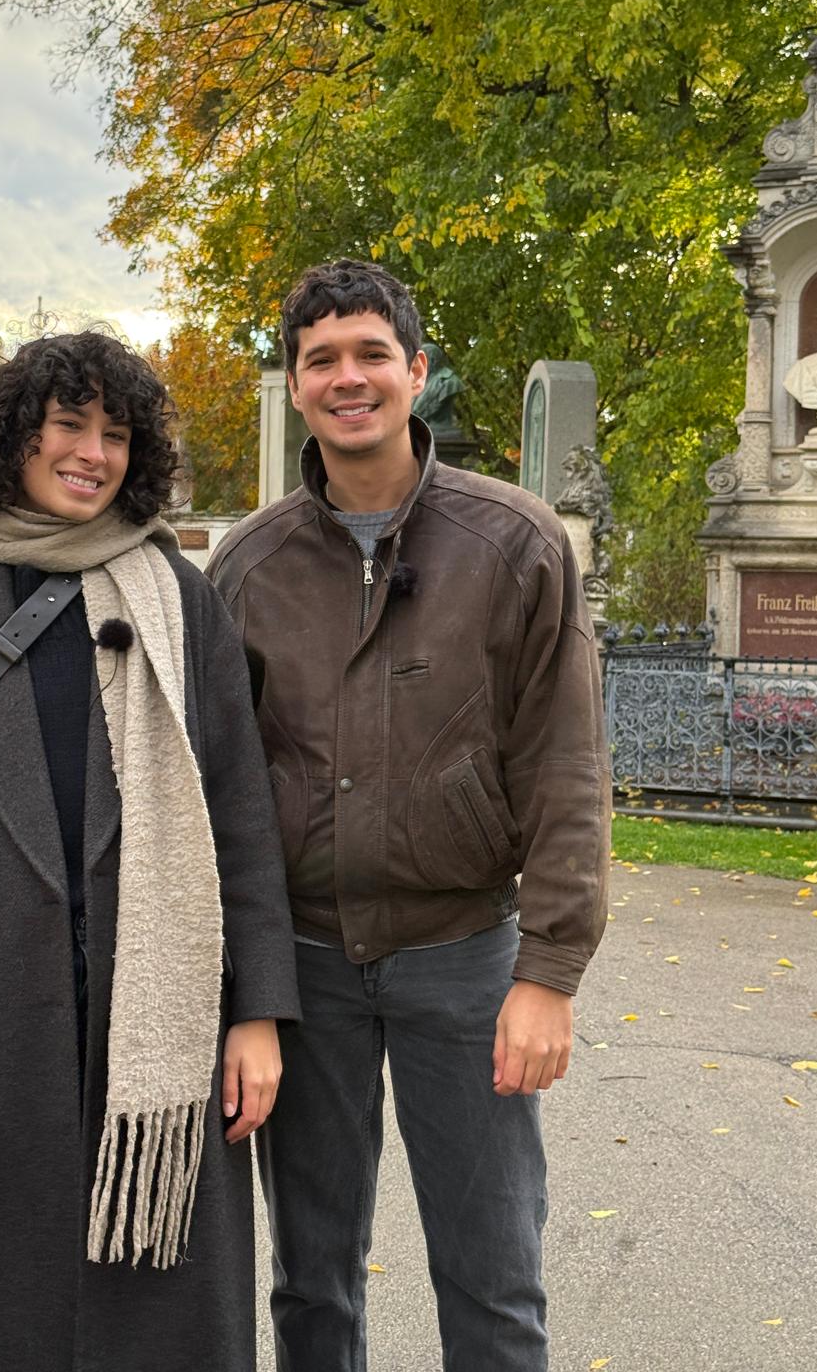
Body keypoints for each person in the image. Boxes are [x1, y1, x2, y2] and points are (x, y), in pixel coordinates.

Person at [0, 331, 300, 1372]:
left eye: (116, 433)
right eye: (69, 425)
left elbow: (241, 819)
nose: (93, 452)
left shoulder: (181, 607)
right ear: (14, 437)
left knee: (164, 1337)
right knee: (1, 1334)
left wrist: (255, 1010)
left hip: (159, 1042)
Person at [207, 260, 610, 1372]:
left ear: (416, 372)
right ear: (293, 383)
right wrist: (246, 992)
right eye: (321, 358)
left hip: (464, 959)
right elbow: (223, 798)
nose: (350, 377)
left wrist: (550, 972)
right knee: (312, 1284)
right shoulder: (245, 567)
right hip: (305, 967)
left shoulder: (516, 545)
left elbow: (566, 766)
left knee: (492, 1277)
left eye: (372, 353)